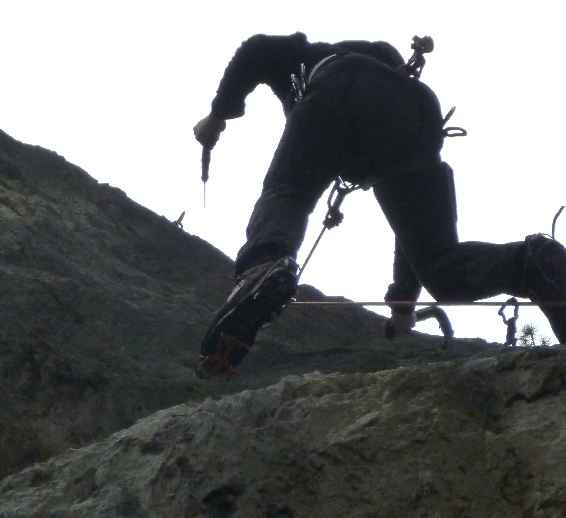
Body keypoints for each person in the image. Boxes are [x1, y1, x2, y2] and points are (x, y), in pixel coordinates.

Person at [193, 32, 566, 379]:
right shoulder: (380, 64)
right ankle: (532, 263)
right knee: (442, 267)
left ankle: (265, 263)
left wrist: (217, 116)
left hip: (339, 87)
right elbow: (409, 227)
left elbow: (256, 49)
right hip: (415, 114)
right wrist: (403, 305)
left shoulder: (304, 59)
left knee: (287, 190)